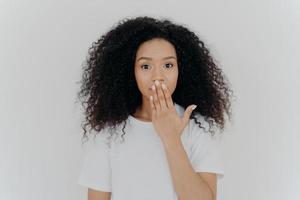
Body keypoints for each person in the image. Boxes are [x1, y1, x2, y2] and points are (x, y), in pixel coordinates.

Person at [76, 16, 234, 200]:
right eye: (145, 66)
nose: (157, 76)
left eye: (168, 65)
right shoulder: (109, 132)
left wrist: (172, 140)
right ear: (130, 71)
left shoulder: (198, 127)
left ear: (180, 69)